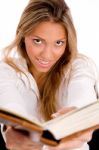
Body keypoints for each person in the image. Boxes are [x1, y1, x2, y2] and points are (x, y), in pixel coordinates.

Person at [0, 0, 99, 149]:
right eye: (38, 41)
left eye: (59, 43)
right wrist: (12, 129)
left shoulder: (79, 66)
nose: (47, 55)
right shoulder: (6, 70)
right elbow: (10, 103)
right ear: (22, 35)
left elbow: (83, 91)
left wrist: (78, 115)